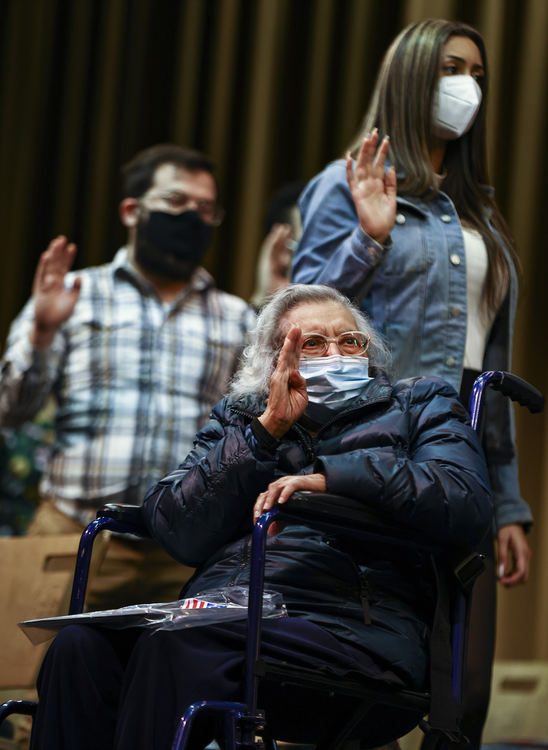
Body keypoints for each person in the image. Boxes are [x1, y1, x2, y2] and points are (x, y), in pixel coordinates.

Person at [28, 284, 492, 750]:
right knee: (78, 648)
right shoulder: (241, 418)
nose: (336, 352)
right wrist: (265, 433)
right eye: (312, 343)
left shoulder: (416, 404)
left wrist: (339, 477)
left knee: (178, 646)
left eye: (350, 341)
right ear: (276, 362)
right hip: (226, 613)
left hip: (349, 625)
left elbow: (465, 499)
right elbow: (177, 528)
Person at [291, 19, 533, 747]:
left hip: (465, 459)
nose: (467, 87)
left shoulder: (480, 211)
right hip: (378, 446)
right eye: (450, 68)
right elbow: (298, 320)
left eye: (478, 74)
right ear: (409, 76)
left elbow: (493, 363)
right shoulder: (344, 183)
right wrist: (368, 236)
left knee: (463, 693)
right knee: (369, 680)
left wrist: (509, 500)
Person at [0, 144, 256, 611]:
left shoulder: (236, 317)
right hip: (75, 535)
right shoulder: (76, 295)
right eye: (176, 203)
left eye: (204, 209)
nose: (191, 218)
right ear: (131, 210)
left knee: (161, 684)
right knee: (29, 682)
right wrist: (40, 334)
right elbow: (12, 411)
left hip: (181, 553)